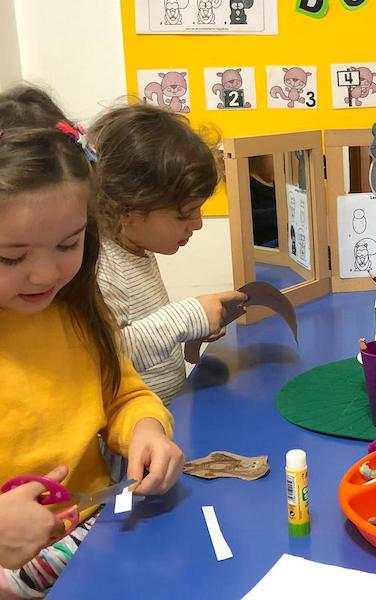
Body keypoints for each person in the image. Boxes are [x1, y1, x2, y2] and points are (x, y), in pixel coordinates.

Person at [0, 85, 183, 596]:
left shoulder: (77, 309)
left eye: (68, 244)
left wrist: (145, 429)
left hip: (88, 536)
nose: (44, 275)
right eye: (10, 257)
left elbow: (122, 394)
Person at [90, 103, 247, 407]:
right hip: (131, 434)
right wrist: (186, 318)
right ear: (126, 210)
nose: (198, 224)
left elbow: (143, 328)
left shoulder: (136, 248)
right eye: (184, 214)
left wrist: (188, 332)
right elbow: (108, 355)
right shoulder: (101, 268)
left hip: (164, 418)